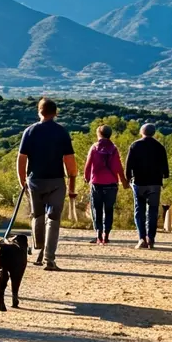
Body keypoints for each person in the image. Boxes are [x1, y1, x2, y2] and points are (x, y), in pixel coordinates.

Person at [16, 97, 77, 271]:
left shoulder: (30, 131)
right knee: (53, 219)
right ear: (55, 112)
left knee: (38, 216)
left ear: (39, 111)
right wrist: (72, 177)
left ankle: (39, 250)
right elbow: (69, 160)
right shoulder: (61, 132)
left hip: (35, 180)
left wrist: (22, 179)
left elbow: (21, 158)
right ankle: (49, 259)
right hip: (56, 181)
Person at [124, 123, 171, 249]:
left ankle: (141, 238)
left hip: (139, 182)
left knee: (139, 210)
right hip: (155, 183)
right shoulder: (159, 147)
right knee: (153, 211)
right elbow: (165, 169)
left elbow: (128, 165)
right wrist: (164, 175)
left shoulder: (135, 145)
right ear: (153, 133)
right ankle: (151, 238)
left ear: (141, 132)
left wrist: (127, 178)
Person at [83, 124, 125, 245]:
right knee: (108, 209)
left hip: (96, 182)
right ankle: (106, 235)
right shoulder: (114, 148)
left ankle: (98, 235)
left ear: (98, 134)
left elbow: (88, 164)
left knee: (96, 209)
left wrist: (86, 177)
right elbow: (118, 166)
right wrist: (123, 180)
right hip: (111, 183)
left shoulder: (94, 147)